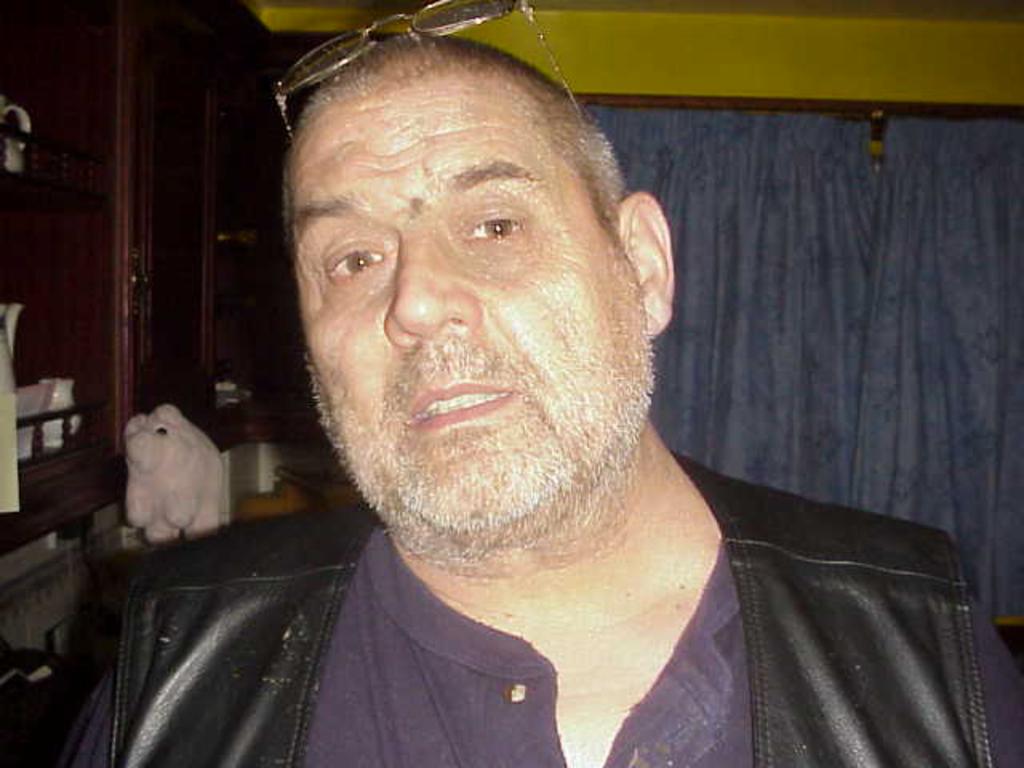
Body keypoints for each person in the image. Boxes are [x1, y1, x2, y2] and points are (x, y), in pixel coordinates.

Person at [63, 22, 1024, 768]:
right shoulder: (175, 671)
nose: (416, 303)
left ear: (642, 266)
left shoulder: (923, 645)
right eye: (351, 259)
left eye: (493, 225)